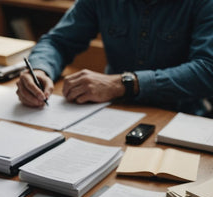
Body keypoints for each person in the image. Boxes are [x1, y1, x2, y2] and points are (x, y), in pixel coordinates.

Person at [16, 0, 213, 116]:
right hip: (110, 113)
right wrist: (40, 70)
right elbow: (58, 41)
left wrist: (124, 84)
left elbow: (207, 70)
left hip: (181, 117)